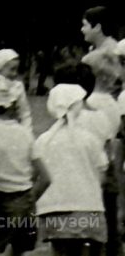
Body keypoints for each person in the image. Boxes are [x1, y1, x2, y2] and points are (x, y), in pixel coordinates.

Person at [0, 74, 50, 256]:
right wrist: (26, 202)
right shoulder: (24, 133)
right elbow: (45, 178)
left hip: (0, 203)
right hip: (26, 202)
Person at [34, 84, 109, 256]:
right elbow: (101, 174)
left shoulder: (43, 140)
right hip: (89, 208)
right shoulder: (90, 139)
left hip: (54, 209)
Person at [0, 49, 33, 131]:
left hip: (14, 130)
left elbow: (24, 113)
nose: (15, 73)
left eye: (17, 70)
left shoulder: (18, 87)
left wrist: (27, 132)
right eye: (12, 69)